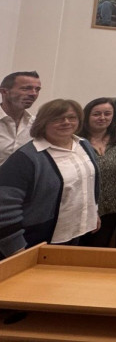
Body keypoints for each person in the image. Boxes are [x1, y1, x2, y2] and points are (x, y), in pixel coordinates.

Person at [0, 99, 99, 259]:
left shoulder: (84, 145)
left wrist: (93, 212)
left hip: (76, 231)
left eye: (71, 117)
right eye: (57, 118)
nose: (66, 122)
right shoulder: (26, 158)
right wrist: (16, 247)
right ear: (43, 122)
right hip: (38, 240)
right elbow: (4, 207)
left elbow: (88, 183)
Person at [79, 98, 116, 248]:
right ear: (87, 116)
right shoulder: (76, 140)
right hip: (83, 208)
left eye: (107, 114)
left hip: (113, 207)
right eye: (96, 114)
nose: (102, 118)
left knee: (100, 250)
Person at [0, 71, 42, 166]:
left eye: (37, 89)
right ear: (4, 91)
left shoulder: (36, 125)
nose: (33, 94)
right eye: (26, 89)